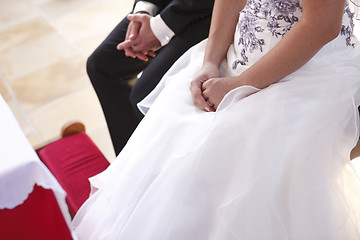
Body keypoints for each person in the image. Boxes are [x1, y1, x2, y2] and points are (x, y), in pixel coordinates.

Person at [74, 0, 360, 239]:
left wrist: (243, 84)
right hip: (236, 53)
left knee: (236, 167)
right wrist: (210, 62)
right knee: (172, 159)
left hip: (305, 70)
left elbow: (321, 25)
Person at [87, 0, 215, 155]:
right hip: (166, 3)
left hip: (210, 12)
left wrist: (160, 28)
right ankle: (128, 161)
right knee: (102, 65)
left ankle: (159, 165)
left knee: (144, 95)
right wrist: (143, 10)